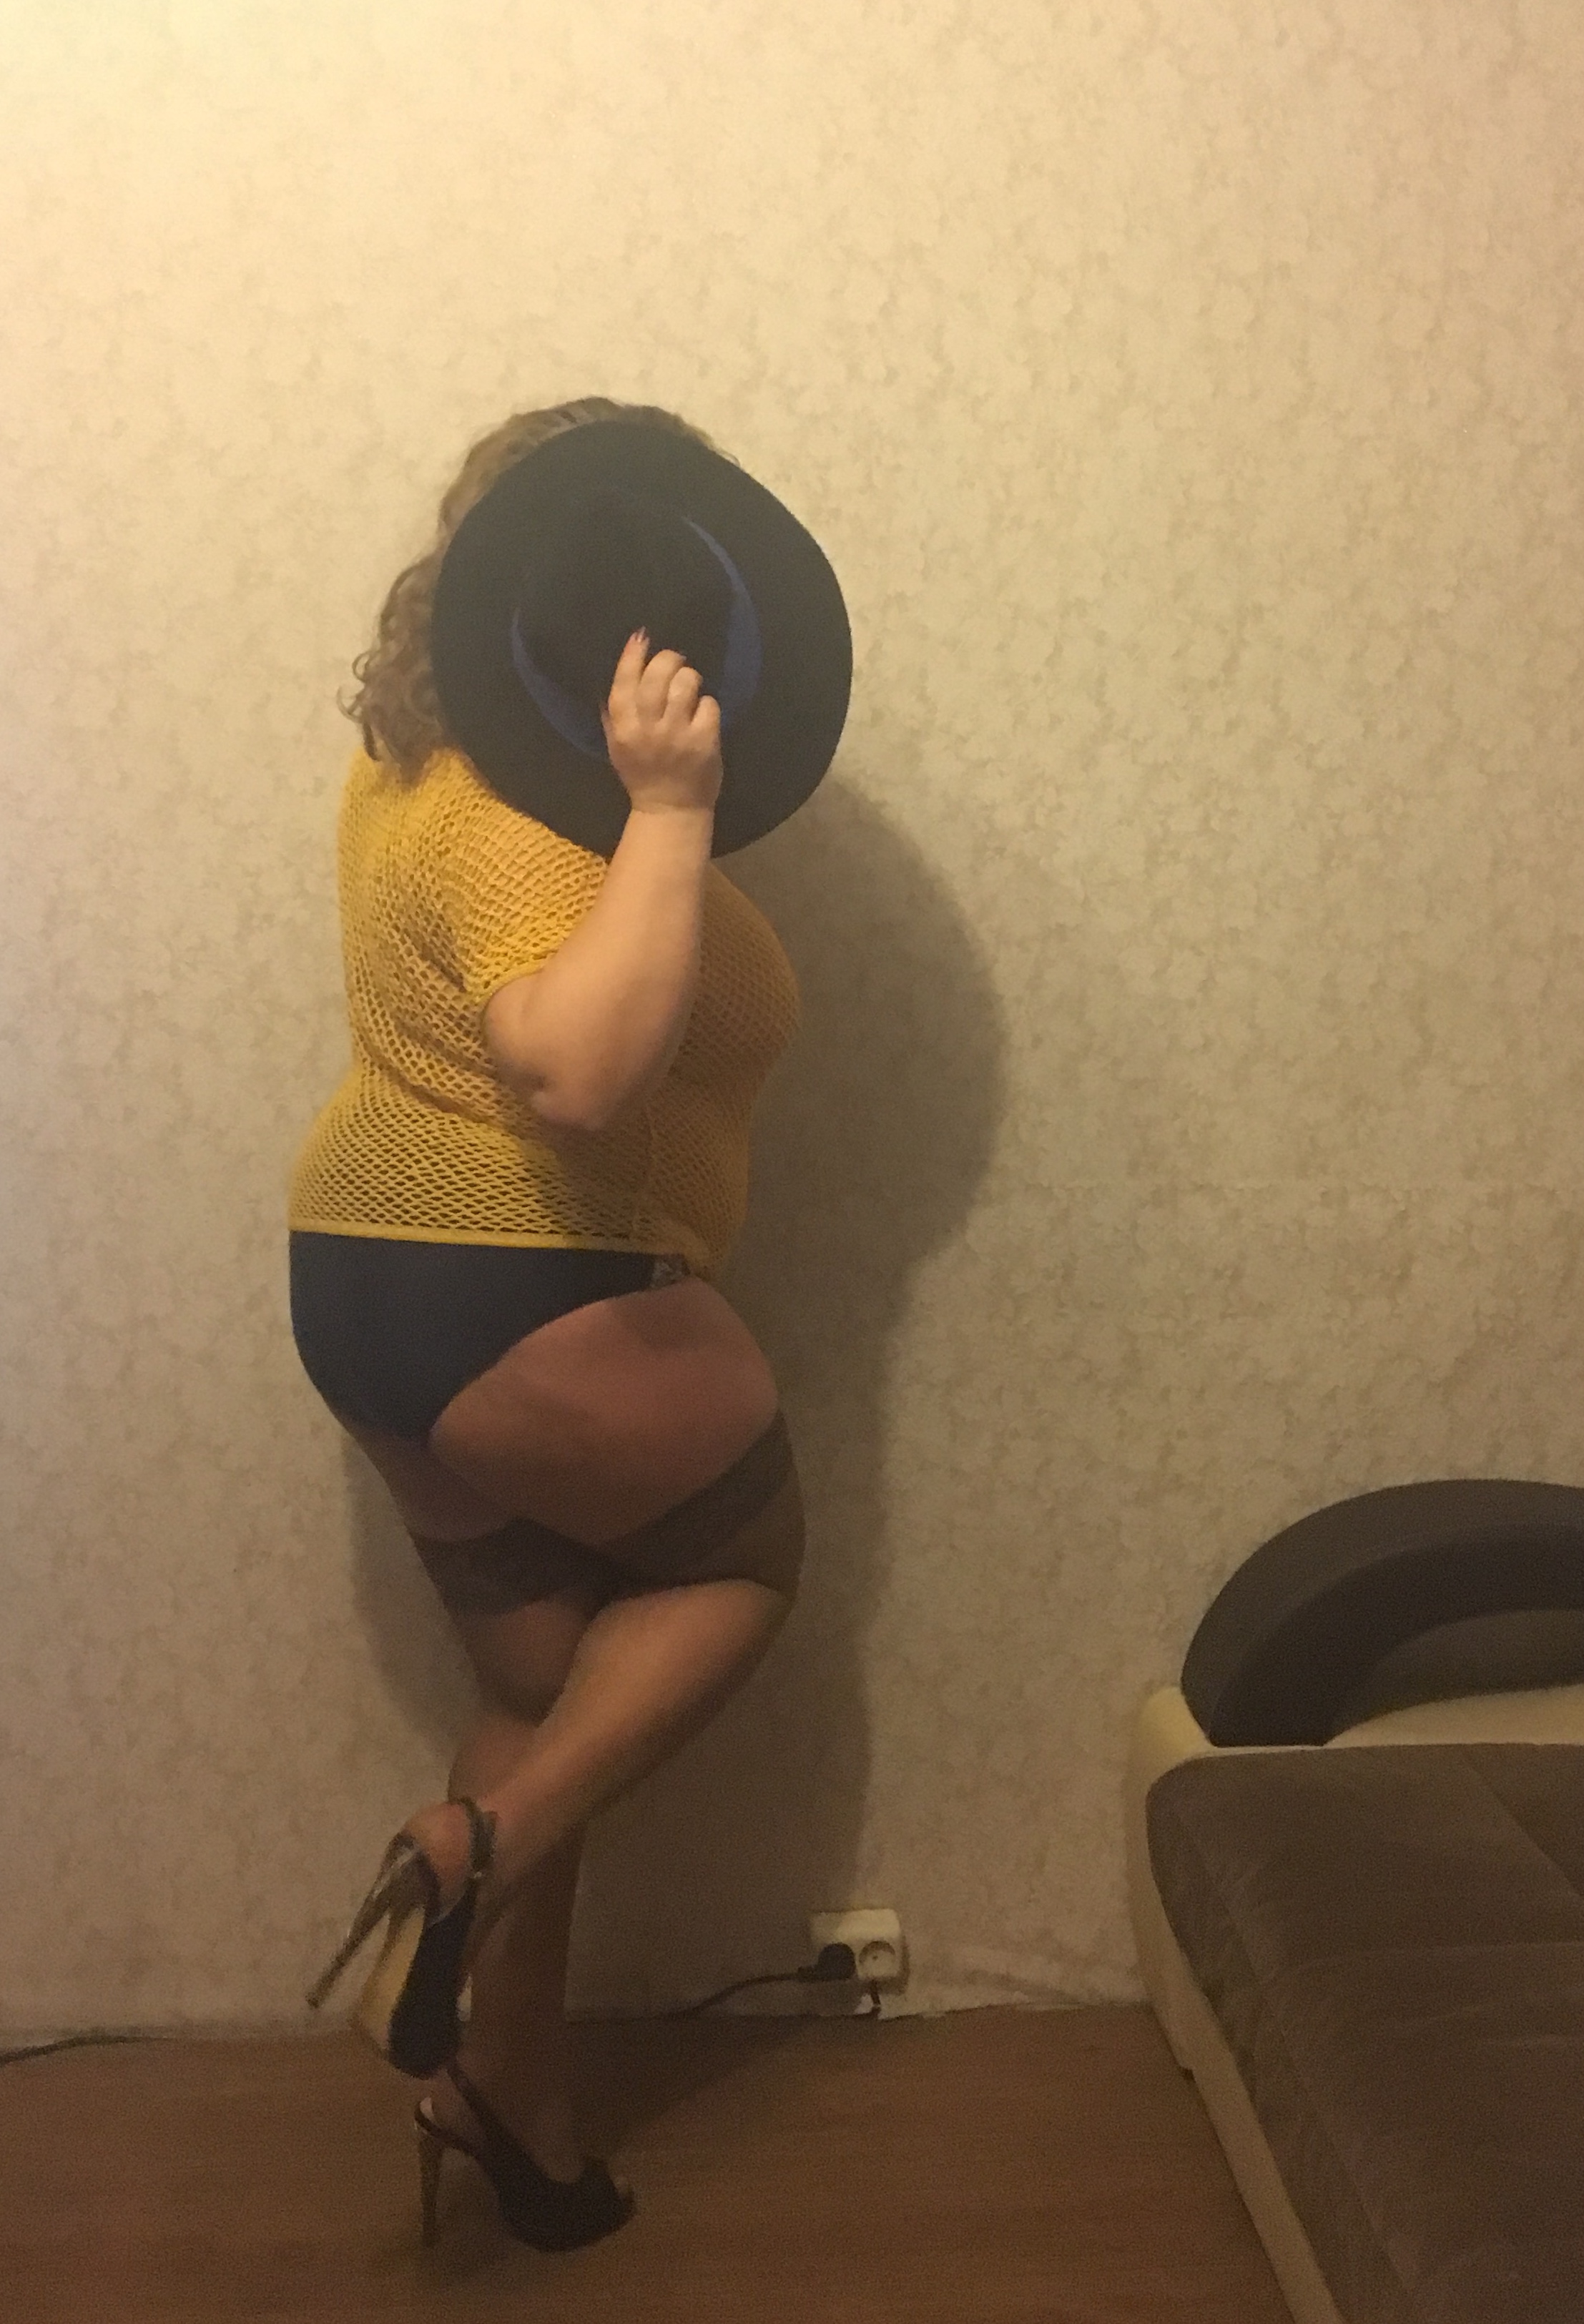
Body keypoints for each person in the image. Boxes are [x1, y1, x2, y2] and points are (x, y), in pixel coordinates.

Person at [289, 398, 844, 2251]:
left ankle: (502, 2096)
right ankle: (477, 1857)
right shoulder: (536, 822)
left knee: (545, 1692)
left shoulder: (413, 763)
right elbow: (580, 1071)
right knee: (739, 1567)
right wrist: (673, 810)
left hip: (366, 1279)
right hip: (523, 1279)